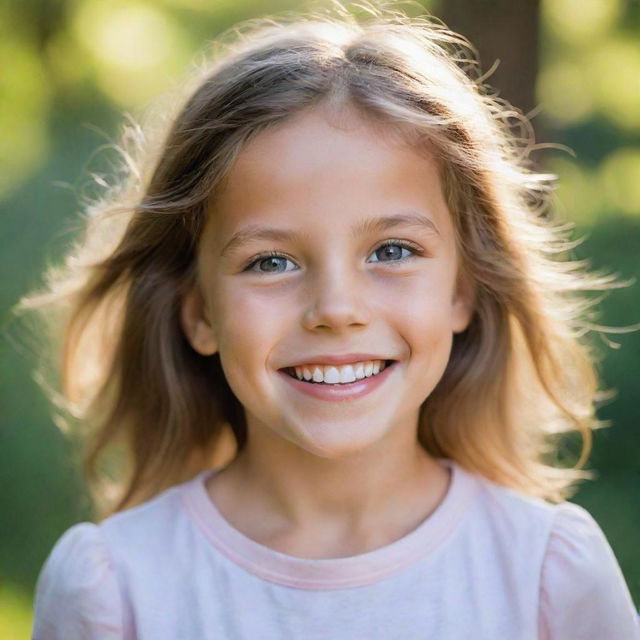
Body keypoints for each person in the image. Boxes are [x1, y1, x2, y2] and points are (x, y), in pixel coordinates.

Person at [22, 2, 639, 638]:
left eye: (392, 251)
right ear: (199, 312)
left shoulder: (547, 575)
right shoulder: (115, 588)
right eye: (270, 262)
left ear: (463, 290)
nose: (337, 310)